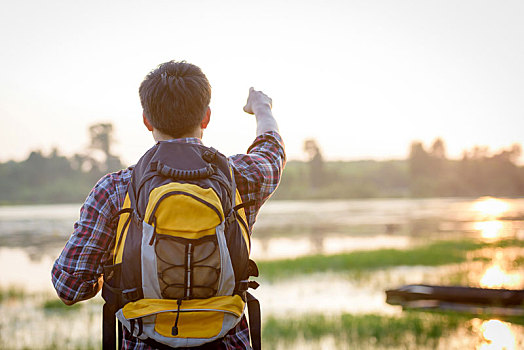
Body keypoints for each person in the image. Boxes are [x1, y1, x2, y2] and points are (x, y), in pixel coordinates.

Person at [51, 60, 286, 349]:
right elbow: (271, 151)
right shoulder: (240, 178)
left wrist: (114, 272)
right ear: (206, 118)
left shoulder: (114, 189)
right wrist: (262, 108)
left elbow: (69, 286)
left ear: (146, 120)